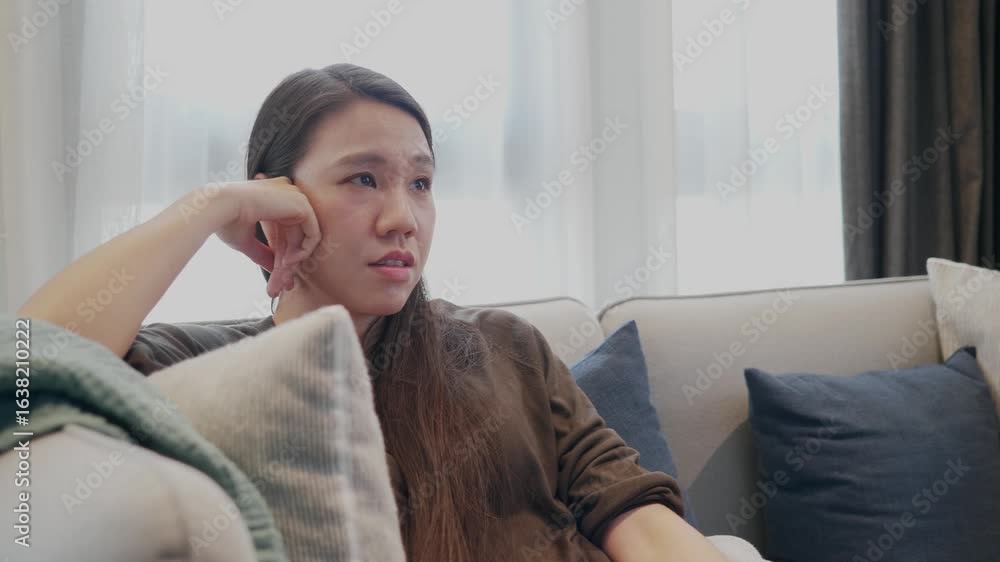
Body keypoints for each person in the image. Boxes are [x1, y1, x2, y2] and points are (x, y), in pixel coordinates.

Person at [18, 63, 746, 562]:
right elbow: (26, 364)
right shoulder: (205, 373)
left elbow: (629, 509)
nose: (403, 218)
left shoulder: (505, 348)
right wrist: (212, 206)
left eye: (421, 183)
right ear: (279, 198)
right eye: (363, 179)